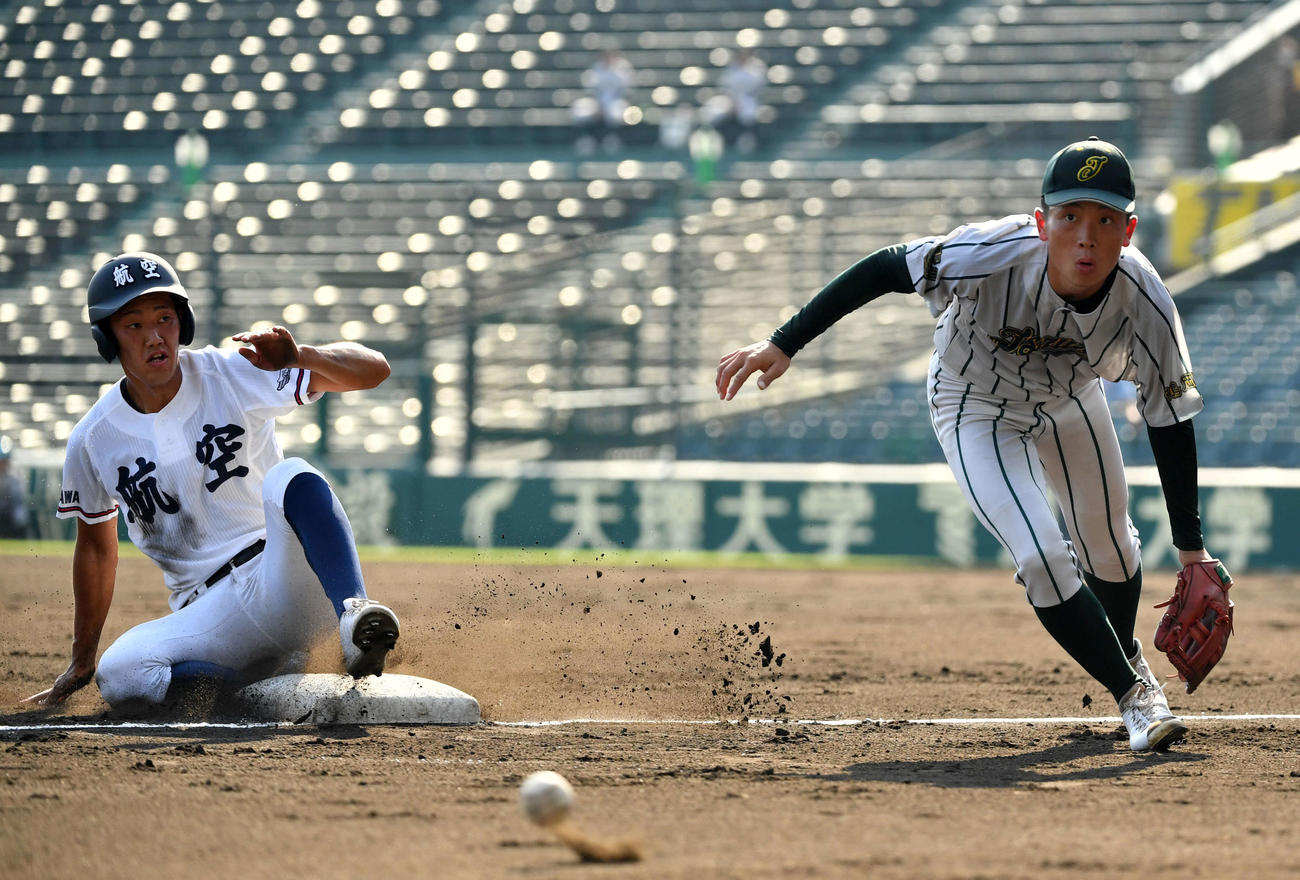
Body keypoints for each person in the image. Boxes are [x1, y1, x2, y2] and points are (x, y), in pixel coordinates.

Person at [717, 138, 1215, 752]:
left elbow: (1170, 416)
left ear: (1129, 231)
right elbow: (886, 267)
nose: (1086, 236)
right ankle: (1134, 693)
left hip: (1069, 400)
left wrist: (1191, 550)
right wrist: (785, 341)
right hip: (973, 402)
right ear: (1042, 222)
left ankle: (1123, 656)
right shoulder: (991, 252)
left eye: (1105, 220)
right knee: (1040, 556)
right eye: (1070, 217)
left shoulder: (1147, 302)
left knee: (1111, 549)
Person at [23, 252, 400, 711]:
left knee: (291, 473)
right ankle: (253, 682)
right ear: (108, 339)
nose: (155, 337)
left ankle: (354, 616)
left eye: (165, 318)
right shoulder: (92, 438)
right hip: (207, 615)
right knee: (121, 673)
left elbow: (375, 369)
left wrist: (301, 355)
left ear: (184, 322)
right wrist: (83, 660)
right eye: (134, 325)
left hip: (286, 577)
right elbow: (98, 550)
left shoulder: (235, 369)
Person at [572, 49, 634, 154]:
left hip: (616, 102)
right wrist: (599, 106)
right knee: (579, 109)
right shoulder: (594, 70)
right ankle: (586, 138)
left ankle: (613, 138)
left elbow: (627, 92)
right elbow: (590, 92)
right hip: (597, 102)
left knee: (617, 113)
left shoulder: (623, 69)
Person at [0, 435, 29, 538]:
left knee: (19, 520)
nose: (2, 464)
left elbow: (17, 498)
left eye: (4, 461)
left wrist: (19, 518)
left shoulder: (14, 473)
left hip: (9, 514)